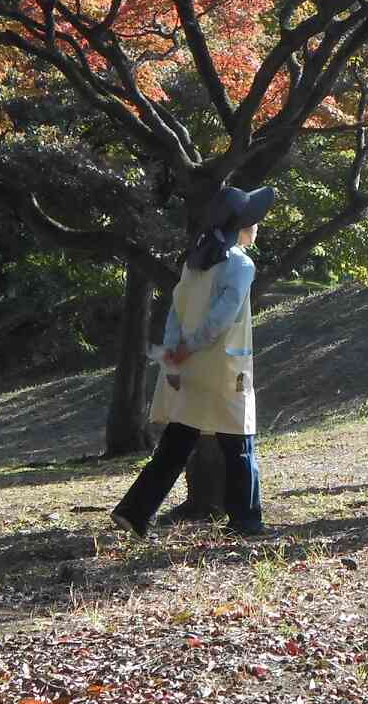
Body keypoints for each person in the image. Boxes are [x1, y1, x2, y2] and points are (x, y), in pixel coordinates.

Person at [111, 185, 275, 539]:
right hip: (224, 369)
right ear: (242, 228)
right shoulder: (241, 264)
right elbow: (222, 317)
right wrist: (189, 347)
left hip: (188, 367)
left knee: (175, 445)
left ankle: (134, 511)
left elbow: (176, 309)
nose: (258, 226)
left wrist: (174, 353)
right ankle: (246, 522)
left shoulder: (194, 261)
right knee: (240, 445)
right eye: (254, 221)